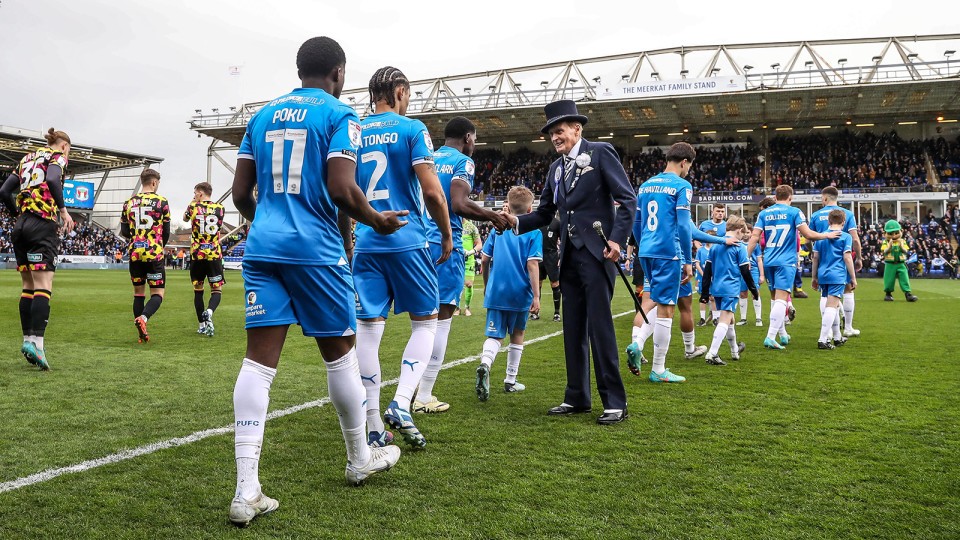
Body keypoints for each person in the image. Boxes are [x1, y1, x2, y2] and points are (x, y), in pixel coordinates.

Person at [228, 36, 407, 527]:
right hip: (316, 251)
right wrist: (377, 220)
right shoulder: (338, 115)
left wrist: (265, 223)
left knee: (258, 363)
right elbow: (341, 189)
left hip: (263, 249)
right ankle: (358, 459)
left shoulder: (261, 116)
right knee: (341, 354)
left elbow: (242, 192)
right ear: (339, 72)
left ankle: (246, 490)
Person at [504, 100, 635, 425]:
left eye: (559, 131)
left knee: (600, 328)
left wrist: (617, 239)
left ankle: (615, 402)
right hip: (570, 258)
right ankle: (577, 397)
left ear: (577, 129)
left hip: (598, 253)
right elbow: (546, 213)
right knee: (572, 327)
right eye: (551, 133)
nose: (555, 137)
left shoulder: (601, 152)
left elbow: (628, 199)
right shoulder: (555, 169)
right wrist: (515, 222)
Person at [353, 66, 452, 449]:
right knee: (425, 323)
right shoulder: (413, 129)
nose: (408, 100)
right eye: (407, 94)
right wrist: (445, 233)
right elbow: (433, 193)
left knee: (369, 330)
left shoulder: (355, 129)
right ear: (399, 91)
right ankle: (402, 401)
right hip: (408, 238)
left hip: (367, 239)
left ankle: (374, 423)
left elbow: (342, 190)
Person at [413, 117, 511, 415]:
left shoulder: (425, 159)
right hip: (445, 246)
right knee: (439, 323)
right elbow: (458, 203)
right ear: (468, 137)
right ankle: (423, 395)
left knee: (420, 325)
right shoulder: (462, 163)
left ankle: (407, 389)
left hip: (416, 245)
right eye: (475, 139)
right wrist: (491, 215)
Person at [0, 127, 75, 370]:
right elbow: (53, 179)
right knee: (43, 286)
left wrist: (16, 216)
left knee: (28, 287)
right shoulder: (57, 157)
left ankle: (28, 341)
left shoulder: (26, 159)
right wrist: (63, 211)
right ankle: (39, 346)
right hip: (42, 224)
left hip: (21, 225)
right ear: (64, 146)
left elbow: (3, 191)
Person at [633, 142, 698, 383]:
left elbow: (636, 223)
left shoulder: (646, 185)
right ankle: (659, 369)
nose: (688, 171)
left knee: (655, 301)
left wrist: (643, 245)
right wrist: (688, 259)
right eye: (689, 166)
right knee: (666, 309)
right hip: (668, 253)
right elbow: (683, 225)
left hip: (647, 252)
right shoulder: (682, 185)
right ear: (684, 162)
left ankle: (638, 343)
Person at [746, 184, 839, 351]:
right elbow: (808, 234)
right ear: (791, 197)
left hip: (769, 260)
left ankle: (782, 334)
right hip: (785, 261)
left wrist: (745, 256)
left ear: (775, 197)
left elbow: (754, 237)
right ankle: (770, 336)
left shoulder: (764, 213)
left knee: (775, 299)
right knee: (782, 300)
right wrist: (827, 234)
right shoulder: (794, 212)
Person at [475, 186, 542, 400]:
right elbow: (532, 264)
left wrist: (487, 284)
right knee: (517, 335)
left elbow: (485, 259)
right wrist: (537, 295)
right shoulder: (534, 231)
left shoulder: (497, 228)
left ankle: (485, 364)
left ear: (509, 205)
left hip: (496, 290)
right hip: (519, 292)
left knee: (494, 335)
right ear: (531, 208)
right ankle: (510, 380)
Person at [699, 215, 758, 365]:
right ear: (738, 230)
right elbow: (745, 271)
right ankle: (712, 353)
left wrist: (705, 292)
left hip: (717, 288)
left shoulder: (716, 245)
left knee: (730, 319)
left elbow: (707, 272)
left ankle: (734, 351)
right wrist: (753, 289)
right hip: (730, 288)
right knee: (725, 319)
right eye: (743, 232)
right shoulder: (740, 247)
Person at [120, 168, 170, 343]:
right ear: (154, 183)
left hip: (135, 254)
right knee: (157, 293)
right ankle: (144, 319)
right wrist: (158, 244)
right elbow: (166, 232)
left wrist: (137, 236)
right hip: (154, 253)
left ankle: (140, 334)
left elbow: (124, 230)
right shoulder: (162, 202)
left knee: (138, 293)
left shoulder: (128, 203)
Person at [809, 187, 862, 337]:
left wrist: (812, 254)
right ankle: (848, 328)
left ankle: (830, 332)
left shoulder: (815, 215)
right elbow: (855, 239)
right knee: (847, 290)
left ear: (825, 198)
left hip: (821, 259)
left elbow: (809, 238)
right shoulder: (847, 214)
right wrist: (858, 257)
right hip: (840, 262)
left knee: (824, 295)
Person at [183, 181, 226, 336]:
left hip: (197, 255)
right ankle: (209, 311)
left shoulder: (193, 207)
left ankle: (201, 325)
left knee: (198, 291)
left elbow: (185, 219)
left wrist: (193, 202)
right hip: (214, 254)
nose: (194, 196)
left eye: (195, 193)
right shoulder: (220, 208)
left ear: (200, 193)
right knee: (216, 290)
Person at [880, 220, 918, 302]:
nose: (894, 236)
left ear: (901, 231)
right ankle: (888, 294)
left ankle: (908, 293)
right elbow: (884, 251)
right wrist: (889, 246)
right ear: (885, 233)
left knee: (904, 278)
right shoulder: (885, 242)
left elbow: (906, 251)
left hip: (901, 263)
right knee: (889, 279)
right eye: (890, 234)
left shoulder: (902, 241)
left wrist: (901, 247)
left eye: (896, 233)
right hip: (890, 264)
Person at [535, 215, 562, 322]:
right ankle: (536, 312)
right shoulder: (538, 222)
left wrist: (560, 256)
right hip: (539, 255)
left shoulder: (557, 223)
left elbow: (563, 239)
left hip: (552, 256)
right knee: (538, 283)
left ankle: (556, 313)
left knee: (555, 283)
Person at [458, 219, 482, 317]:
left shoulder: (471, 227)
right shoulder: (451, 224)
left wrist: (471, 252)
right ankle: (457, 308)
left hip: (469, 259)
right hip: (456, 258)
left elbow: (479, 244)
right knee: (457, 284)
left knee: (468, 284)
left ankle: (467, 307)